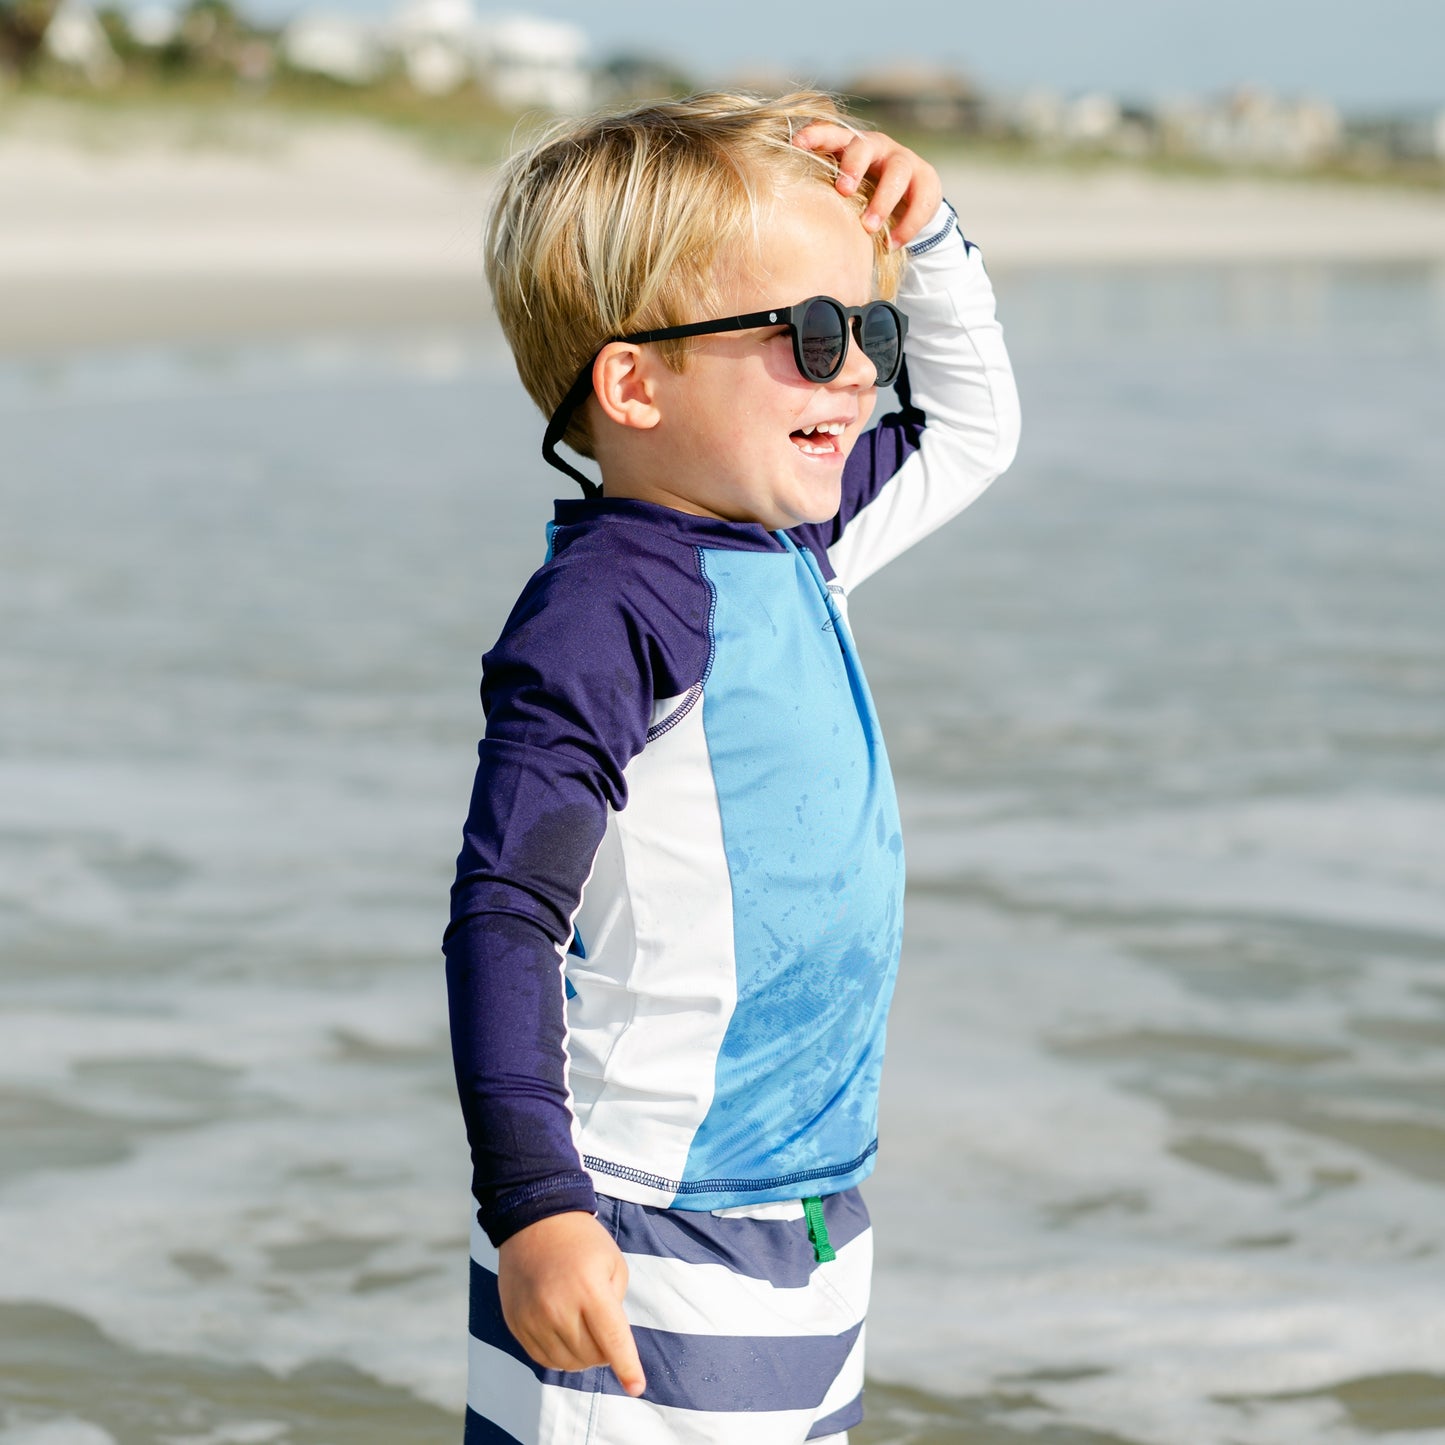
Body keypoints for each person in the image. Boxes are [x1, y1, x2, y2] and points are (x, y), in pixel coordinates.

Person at [444, 90, 1020, 1445]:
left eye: (868, 331)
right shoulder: (608, 611)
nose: (862, 372)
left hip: (803, 1202)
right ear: (633, 381)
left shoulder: (791, 551)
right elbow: (504, 910)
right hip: (640, 1210)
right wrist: (538, 1202)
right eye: (811, 334)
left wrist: (925, 242)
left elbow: (971, 431)